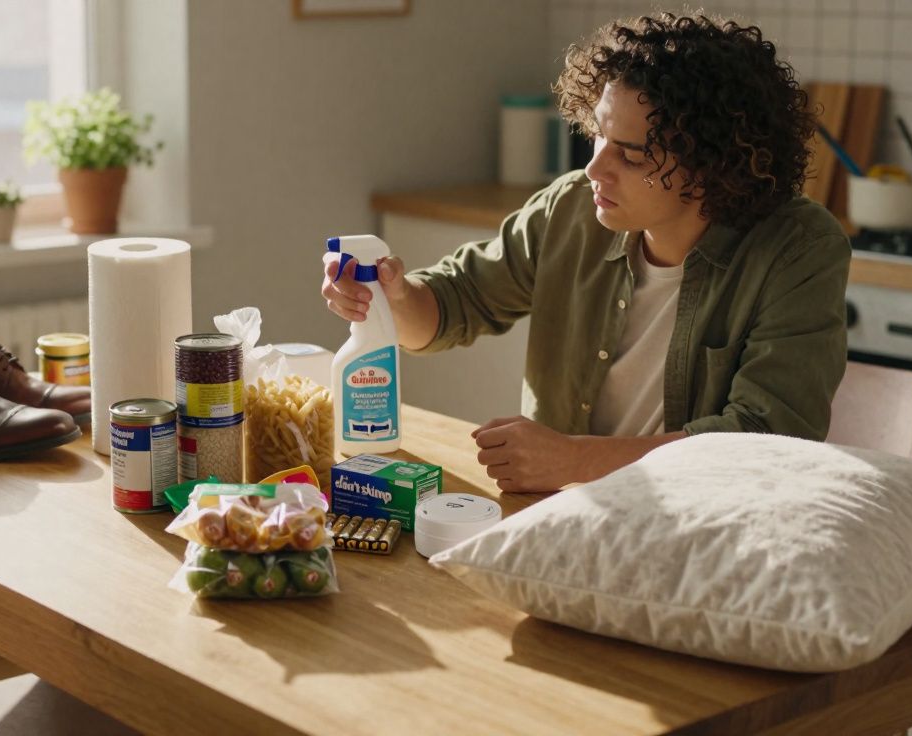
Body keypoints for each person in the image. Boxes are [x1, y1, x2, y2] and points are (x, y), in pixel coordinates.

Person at [321, 12, 850, 492]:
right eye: (599, 135)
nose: (596, 168)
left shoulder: (799, 248)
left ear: (712, 165)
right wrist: (390, 297)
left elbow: (765, 439)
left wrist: (575, 462)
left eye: (632, 154)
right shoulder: (570, 209)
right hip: (564, 518)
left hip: (707, 527)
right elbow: (452, 305)